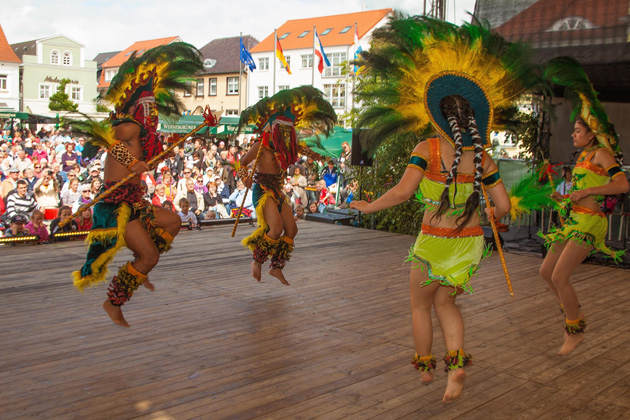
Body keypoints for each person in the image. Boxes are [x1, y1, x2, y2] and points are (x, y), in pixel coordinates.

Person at [349, 15, 540, 402]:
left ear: (438, 116)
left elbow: (403, 193)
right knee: (446, 302)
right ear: (472, 121)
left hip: (434, 240)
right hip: (469, 243)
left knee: (420, 307)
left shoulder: (428, 149)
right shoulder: (483, 158)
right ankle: (456, 370)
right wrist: (492, 215)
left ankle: (425, 368)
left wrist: (369, 208)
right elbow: (502, 206)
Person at [68, 43, 203, 327]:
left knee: (173, 222)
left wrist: (151, 159)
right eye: (148, 105)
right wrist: (131, 163)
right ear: (135, 105)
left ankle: (141, 264)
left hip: (134, 201)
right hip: (116, 205)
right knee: (150, 254)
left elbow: (141, 159)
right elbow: (105, 137)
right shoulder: (128, 125)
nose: (152, 110)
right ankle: (114, 300)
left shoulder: (142, 133)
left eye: (154, 105)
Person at [539, 57, 629, 355]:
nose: (574, 134)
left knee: (559, 276)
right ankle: (572, 311)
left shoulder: (603, 154)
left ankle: (574, 327)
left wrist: (590, 189)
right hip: (574, 219)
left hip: (591, 222)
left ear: (592, 133)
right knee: (545, 272)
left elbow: (622, 185)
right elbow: (580, 192)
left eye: (578, 130)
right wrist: (565, 197)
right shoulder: (582, 158)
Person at [236, 86, 336, 285]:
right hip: (262, 191)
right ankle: (257, 261)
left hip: (278, 191)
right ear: (274, 129)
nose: (286, 134)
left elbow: (306, 150)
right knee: (276, 229)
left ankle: (277, 267)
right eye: (282, 130)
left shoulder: (288, 146)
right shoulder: (261, 145)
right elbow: (242, 163)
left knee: (291, 230)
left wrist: (318, 155)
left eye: (288, 131)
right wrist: (245, 176)